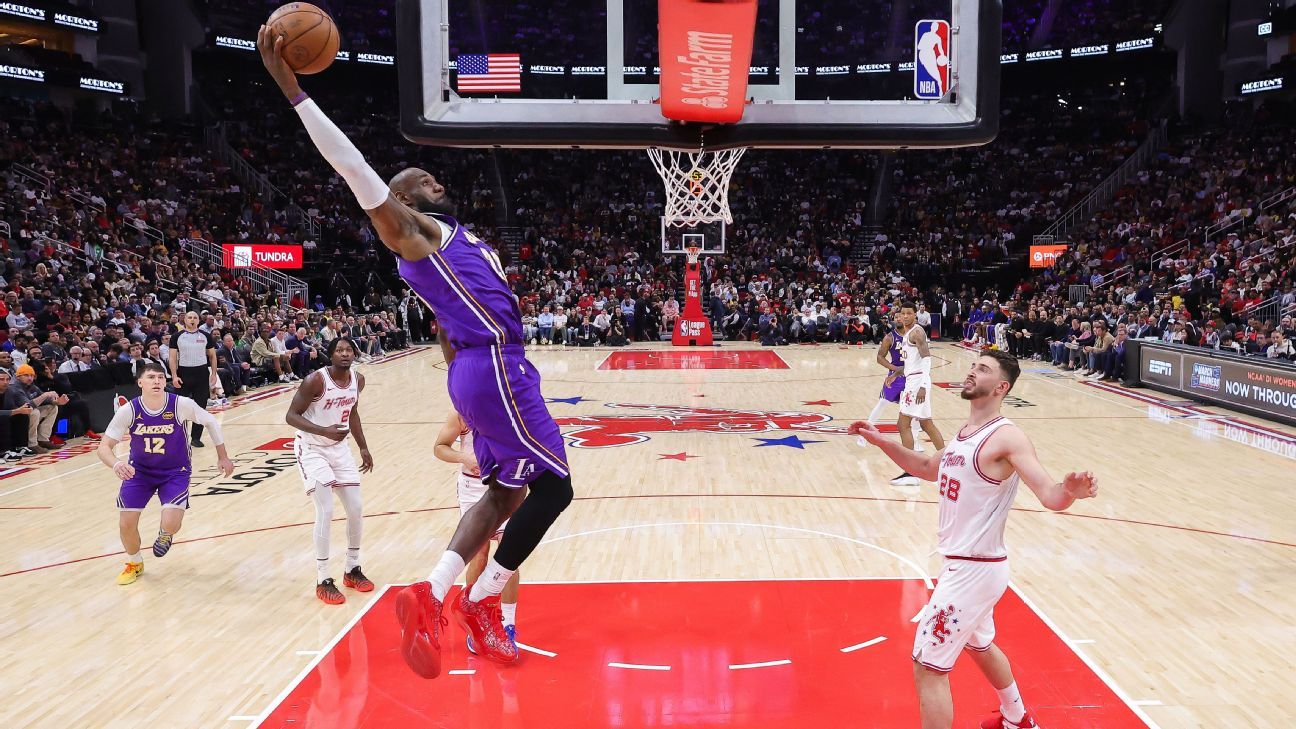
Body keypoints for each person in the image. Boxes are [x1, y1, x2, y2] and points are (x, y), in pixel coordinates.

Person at [259, 26, 573, 678]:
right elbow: (354, 170)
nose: (432, 178)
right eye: (416, 181)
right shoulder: (414, 233)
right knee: (557, 488)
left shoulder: (457, 236)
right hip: (496, 366)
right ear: (398, 203)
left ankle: (432, 595)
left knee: (505, 492)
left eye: (430, 176)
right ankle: (481, 601)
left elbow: (450, 323)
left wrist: (465, 373)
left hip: (479, 369)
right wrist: (292, 89)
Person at [849, 350, 1097, 729]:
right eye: (973, 365)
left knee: (927, 666)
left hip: (973, 572)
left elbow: (1050, 494)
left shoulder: (1007, 437)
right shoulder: (965, 434)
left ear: (1001, 387)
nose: (971, 371)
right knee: (978, 645)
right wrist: (880, 440)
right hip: (968, 567)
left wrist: (1069, 491)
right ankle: (1016, 717)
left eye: (982, 369)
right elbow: (926, 467)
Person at [96, 363, 234, 585]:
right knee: (126, 524)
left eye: (161, 377)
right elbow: (104, 447)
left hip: (175, 472)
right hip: (139, 472)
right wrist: (116, 464)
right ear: (140, 382)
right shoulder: (129, 410)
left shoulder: (180, 404)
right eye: (151, 377)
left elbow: (210, 421)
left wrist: (223, 456)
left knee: (171, 523)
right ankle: (135, 563)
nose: (157, 381)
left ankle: (165, 534)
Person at [285, 337, 375, 605]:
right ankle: (323, 578)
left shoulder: (358, 380)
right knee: (325, 510)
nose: (345, 354)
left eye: (349, 350)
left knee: (356, 508)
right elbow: (291, 415)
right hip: (312, 449)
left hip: (340, 449)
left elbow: (353, 412)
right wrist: (323, 431)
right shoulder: (316, 380)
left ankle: (352, 568)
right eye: (339, 350)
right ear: (331, 355)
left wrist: (363, 447)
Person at [434, 410, 521, 652]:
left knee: (509, 556)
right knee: (479, 554)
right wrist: (464, 457)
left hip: (504, 485)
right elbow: (439, 447)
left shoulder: (508, 409)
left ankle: (508, 623)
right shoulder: (460, 414)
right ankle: (474, 620)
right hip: (472, 488)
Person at [895, 303, 945, 482]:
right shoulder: (907, 333)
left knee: (903, 425)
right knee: (926, 424)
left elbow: (926, 359)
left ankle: (910, 471)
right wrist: (896, 373)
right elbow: (912, 363)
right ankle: (946, 463)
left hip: (917, 383)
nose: (905, 316)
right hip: (913, 379)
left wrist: (923, 385)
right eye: (903, 313)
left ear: (915, 315)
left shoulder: (916, 332)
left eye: (909, 313)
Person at [866, 323, 924, 471]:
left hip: (912, 376)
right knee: (882, 403)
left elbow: (923, 357)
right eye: (897, 316)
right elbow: (879, 357)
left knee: (912, 409)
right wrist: (895, 369)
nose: (900, 318)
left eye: (902, 315)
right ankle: (864, 434)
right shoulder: (889, 337)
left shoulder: (915, 334)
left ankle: (915, 441)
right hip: (896, 376)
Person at [169, 311, 218, 448]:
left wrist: (213, 374)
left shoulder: (206, 336)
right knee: (180, 408)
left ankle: (196, 438)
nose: (192, 319)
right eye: (189, 317)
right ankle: (180, 437)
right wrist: (174, 376)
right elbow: (172, 358)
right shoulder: (176, 336)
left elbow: (212, 356)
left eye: (195, 317)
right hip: (183, 374)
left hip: (201, 373)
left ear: (198, 320)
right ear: (184, 320)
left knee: (200, 407)